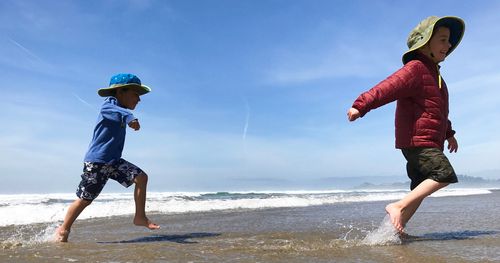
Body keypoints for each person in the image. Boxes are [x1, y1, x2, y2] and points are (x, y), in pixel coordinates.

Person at [347, 16, 465, 233]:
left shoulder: (436, 77)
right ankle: (397, 206)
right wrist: (360, 105)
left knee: (419, 188)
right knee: (444, 174)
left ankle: (390, 233)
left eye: (449, 41)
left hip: (428, 141)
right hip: (417, 140)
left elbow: (438, 110)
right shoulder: (416, 69)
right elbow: (387, 87)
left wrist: (449, 133)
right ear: (426, 42)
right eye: (443, 39)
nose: (448, 45)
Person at [55, 73, 160, 242]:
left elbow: (120, 113)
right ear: (120, 92)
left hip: (113, 161)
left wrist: (127, 116)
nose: (139, 100)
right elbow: (112, 111)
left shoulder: (120, 110)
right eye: (135, 94)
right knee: (85, 199)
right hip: (98, 162)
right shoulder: (109, 105)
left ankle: (140, 217)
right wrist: (129, 117)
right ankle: (63, 229)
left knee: (141, 178)